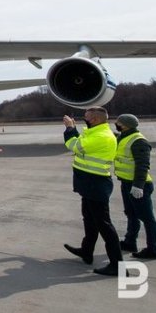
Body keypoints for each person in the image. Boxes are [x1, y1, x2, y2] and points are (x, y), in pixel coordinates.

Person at [62, 107, 124, 276]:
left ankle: (117, 265)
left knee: (104, 225)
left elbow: (74, 146)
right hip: (88, 184)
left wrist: (69, 128)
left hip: (96, 184)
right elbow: (82, 142)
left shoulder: (101, 136)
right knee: (89, 220)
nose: (85, 119)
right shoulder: (94, 132)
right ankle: (86, 250)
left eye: (87, 117)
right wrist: (74, 129)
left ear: (95, 120)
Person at [114, 114, 156, 260]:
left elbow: (143, 165)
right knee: (131, 214)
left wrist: (138, 186)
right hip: (126, 182)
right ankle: (130, 242)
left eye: (118, 122)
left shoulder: (139, 141)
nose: (116, 124)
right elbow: (116, 139)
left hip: (139, 185)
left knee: (147, 218)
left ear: (125, 125)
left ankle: (154, 249)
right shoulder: (124, 137)